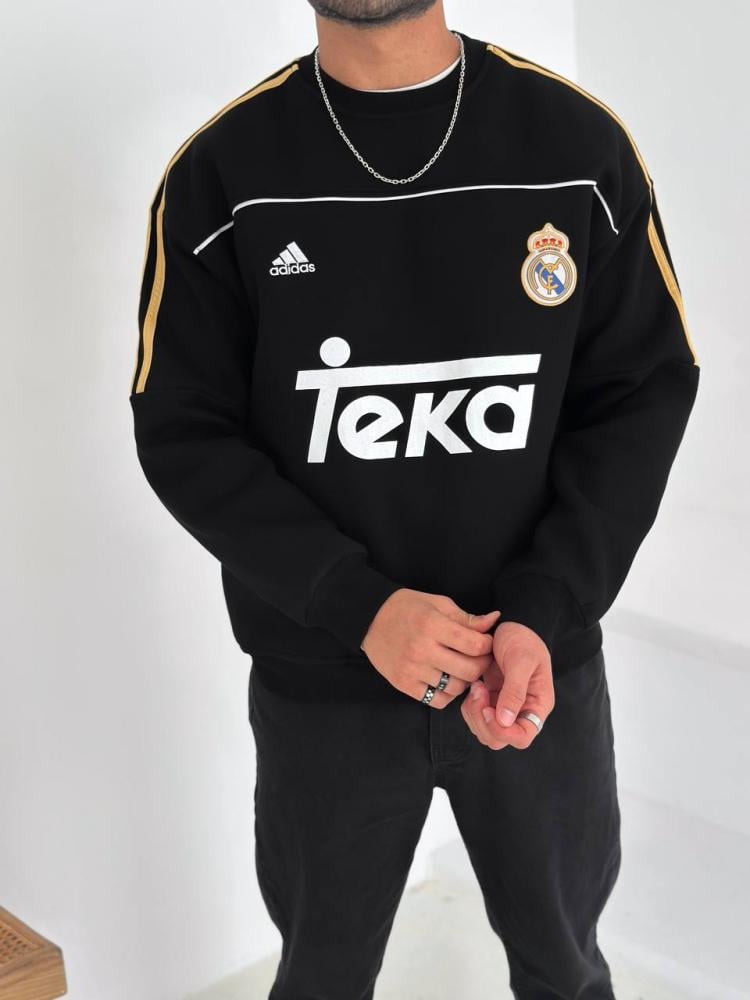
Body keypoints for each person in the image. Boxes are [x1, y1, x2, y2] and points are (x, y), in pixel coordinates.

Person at [129, 2, 700, 997]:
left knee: (567, 973)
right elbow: (183, 429)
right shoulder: (222, 173)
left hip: (531, 671)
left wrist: (544, 605)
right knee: (321, 977)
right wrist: (361, 606)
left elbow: (640, 397)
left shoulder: (578, 147)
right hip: (325, 681)